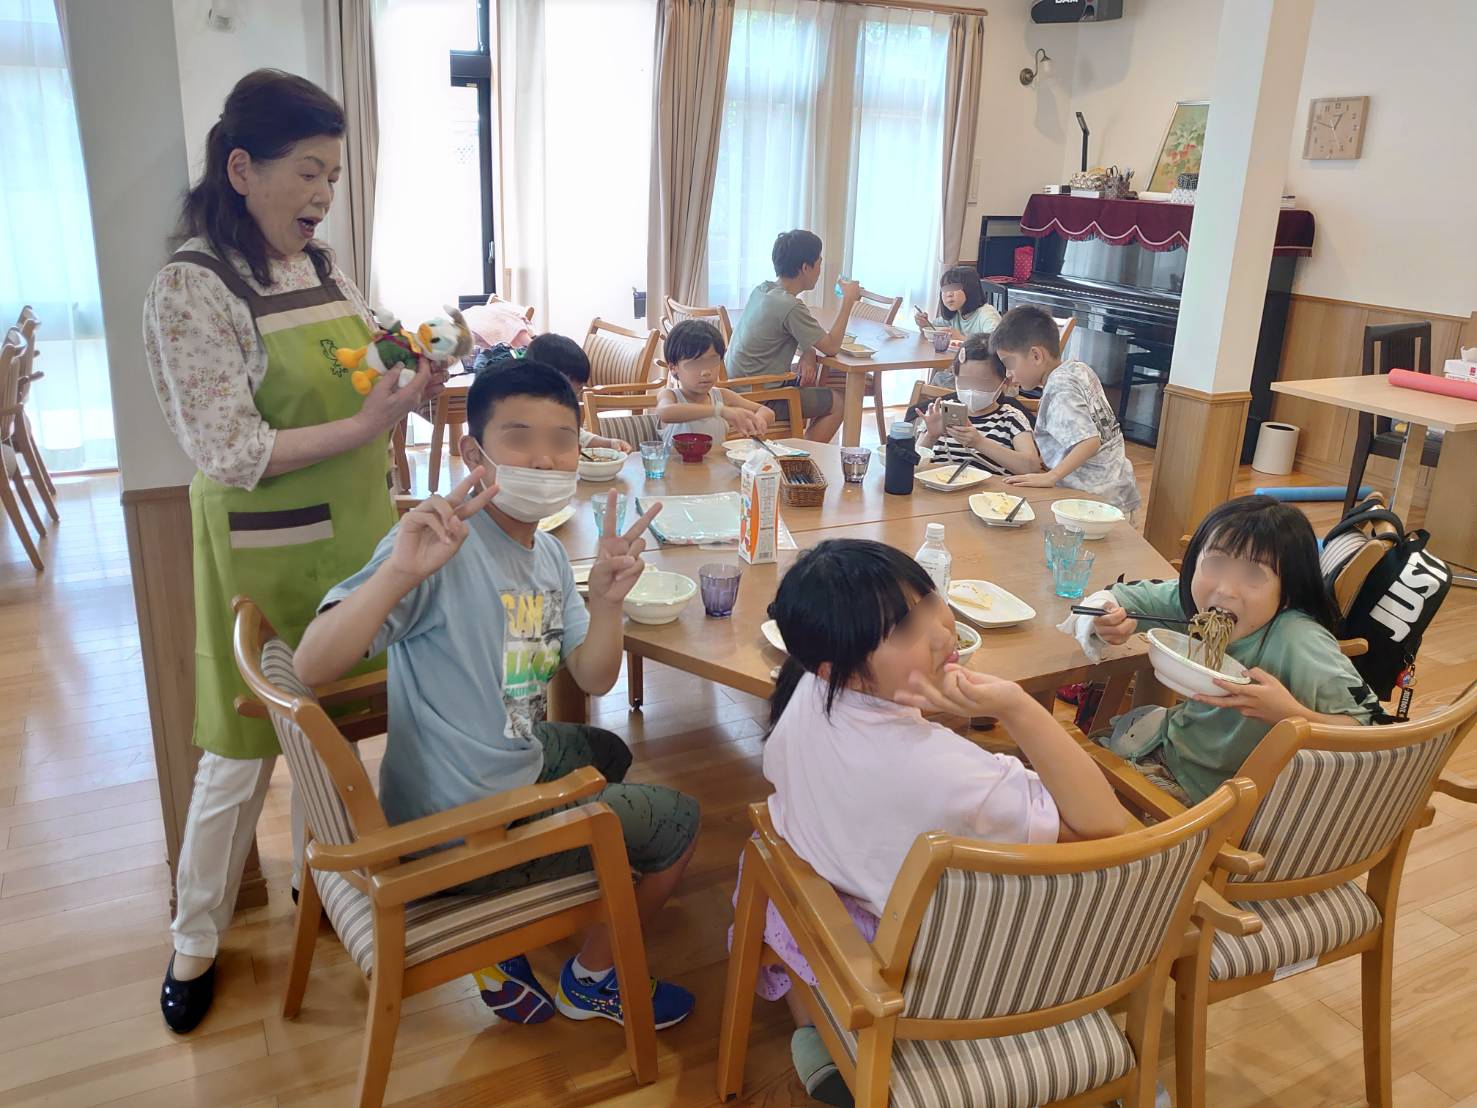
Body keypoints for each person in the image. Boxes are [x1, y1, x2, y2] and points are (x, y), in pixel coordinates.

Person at [143, 69, 440, 1034]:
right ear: (241, 169)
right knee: (242, 750)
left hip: (357, 532)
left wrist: (416, 367)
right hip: (264, 551)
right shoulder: (192, 289)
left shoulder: (321, 267)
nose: (322, 196)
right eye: (307, 173)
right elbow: (231, 451)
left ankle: (336, 886)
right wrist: (364, 427)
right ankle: (194, 936)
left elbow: (377, 353)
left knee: (354, 718)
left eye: (334, 176)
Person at [294, 363, 700, 1029]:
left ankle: (516, 931)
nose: (543, 457)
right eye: (518, 438)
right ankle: (592, 978)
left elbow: (593, 678)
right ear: (472, 454)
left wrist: (604, 602)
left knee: (603, 749)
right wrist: (397, 572)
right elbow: (311, 664)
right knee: (681, 822)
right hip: (455, 834)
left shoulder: (540, 556)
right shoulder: (437, 547)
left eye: (562, 440)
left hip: (491, 776)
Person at [738, 539, 1125, 1104]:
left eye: (928, 600)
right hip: (953, 972)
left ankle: (824, 1038)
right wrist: (1017, 707)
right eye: (903, 630)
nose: (941, 632)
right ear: (840, 668)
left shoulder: (804, 690)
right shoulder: (951, 778)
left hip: (850, 901)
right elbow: (1104, 827)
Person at [1082, 495, 1382, 805]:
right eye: (1216, 563)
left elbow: (1375, 733)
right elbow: (1122, 598)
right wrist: (1110, 617)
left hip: (1216, 798)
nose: (1225, 589)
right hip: (1172, 749)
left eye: (1254, 575)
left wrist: (1291, 716)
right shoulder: (1193, 602)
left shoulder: (1299, 641)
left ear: (1289, 591)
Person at [990, 304, 1141, 515]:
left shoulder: (1059, 388)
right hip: (1117, 490)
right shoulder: (1077, 368)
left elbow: (1089, 440)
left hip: (1094, 502)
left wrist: (1050, 477)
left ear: (1036, 356)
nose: (1008, 373)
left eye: (1009, 363)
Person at [724, 229, 860, 443]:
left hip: (735, 388)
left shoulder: (763, 290)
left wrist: (808, 350)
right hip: (760, 397)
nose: (820, 270)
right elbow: (832, 347)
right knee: (838, 402)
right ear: (806, 268)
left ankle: (797, 449)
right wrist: (848, 301)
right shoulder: (790, 306)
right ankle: (801, 457)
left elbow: (782, 333)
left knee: (812, 387)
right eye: (819, 263)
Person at [474, 333, 632, 453]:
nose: (569, 400)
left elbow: (577, 436)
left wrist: (609, 444)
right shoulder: (514, 409)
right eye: (565, 391)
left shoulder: (554, 412)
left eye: (575, 393)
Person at [915, 338, 1040, 475]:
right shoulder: (939, 413)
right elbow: (912, 463)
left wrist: (979, 442)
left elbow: (1031, 467)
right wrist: (931, 436)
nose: (972, 391)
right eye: (965, 382)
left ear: (1005, 383)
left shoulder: (1011, 418)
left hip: (989, 495)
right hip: (935, 491)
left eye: (982, 384)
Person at [656, 319, 774, 445]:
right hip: (677, 465)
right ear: (673, 368)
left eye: (713, 362)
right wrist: (720, 411)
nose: (706, 371)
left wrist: (757, 420)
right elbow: (665, 413)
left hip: (717, 464)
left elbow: (767, 412)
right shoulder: (671, 396)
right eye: (696, 363)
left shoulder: (722, 396)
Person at [911, 266, 1001, 341]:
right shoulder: (955, 314)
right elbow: (935, 331)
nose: (949, 294)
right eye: (945, 289)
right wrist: (925, 325)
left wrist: (961, 338)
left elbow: (996, 345)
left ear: (970, 290)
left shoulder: (987, 314)